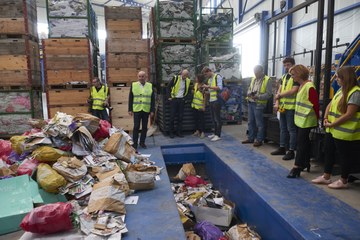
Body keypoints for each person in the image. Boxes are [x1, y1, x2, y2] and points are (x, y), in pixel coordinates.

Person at [312, 66, 360, 188]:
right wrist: (325, 118)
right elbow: (330, 104)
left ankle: (343, 180)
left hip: (344, 132)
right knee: (329, 152)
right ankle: (326, 176)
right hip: (332, 129)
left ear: (346, 78)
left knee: (344, 156)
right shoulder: (341, 90)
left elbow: (349, 114)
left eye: (338, 77)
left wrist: (332, 123)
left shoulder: (355, 92)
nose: (336, 79)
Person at [287, 64, 319, 178]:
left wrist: (317, 119)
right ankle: (305, 163)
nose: (292, 77)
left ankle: (296, 167)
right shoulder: (302, 85)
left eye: (293, 74)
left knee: (300, 144)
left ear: (299, 74)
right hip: (301, 120)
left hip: (307, 120)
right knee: (304, 142)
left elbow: (315, 104)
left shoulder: (309, 86)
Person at [272, 57, 299, 160]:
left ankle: (291, 150)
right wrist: (277, 102)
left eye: (288, 65)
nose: (286, 67)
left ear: (293, 65)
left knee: (291, 129)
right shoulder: (284, 77)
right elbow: (279, 90)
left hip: (291, 107)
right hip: (283, 107)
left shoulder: (296, 77)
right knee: (283, 128)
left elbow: (294, 90)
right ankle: (282, 147)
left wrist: (280, 95)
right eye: (285, 65)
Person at [242, 65, 272, 147]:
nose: (255, 74)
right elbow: (249, 89)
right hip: (251, 102)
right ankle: (251, 138)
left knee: (259, 123)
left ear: (262, 71)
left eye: (257, 72)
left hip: (259, 104)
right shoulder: (253, 79)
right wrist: (249, 93)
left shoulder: (267, 80)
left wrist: (258, 96)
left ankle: (259, 139)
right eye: (254, 72)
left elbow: (269, 94)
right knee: (250, 122)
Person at [128, 71, 155, 150]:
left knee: (144, 127)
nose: (141, 78)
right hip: (137, 109)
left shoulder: (150, 86)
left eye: (143, 76)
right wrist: (130, 109)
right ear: (137, 77)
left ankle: (142, 142)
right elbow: (131, 98)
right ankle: (135, 143)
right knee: (136, 126)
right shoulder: (134, 85)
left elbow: (152, 99)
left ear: (145, 77)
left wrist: (152, 110)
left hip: (146, 109)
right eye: (140, 76)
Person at [167, 69, 191, 138]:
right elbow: (168, 87)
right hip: (174, 100)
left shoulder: (188, 81)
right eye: (184, 75)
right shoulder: (175, 78)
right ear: (181, 74)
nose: (185, 76)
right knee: (172, 117)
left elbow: (188, 91)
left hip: (181, 100)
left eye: (186, 75)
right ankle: (171, 132)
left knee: (180, 117)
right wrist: (169, 97)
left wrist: (185, 99)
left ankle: (179, 132)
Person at [202, 67, 223, 142]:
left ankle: (218, 135)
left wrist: (208, 86)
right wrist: (206, 91)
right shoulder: (210, 79)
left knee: (217, 118)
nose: (206, 76)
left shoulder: (218, 77)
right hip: (211, 100)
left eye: (206, 74)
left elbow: (220, 87)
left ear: (209, 71)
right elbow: (211, 91)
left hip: (217, 100)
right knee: (213, 118)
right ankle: (215, 133)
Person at [191, 74, 207, 139]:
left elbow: (205, 97)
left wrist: (204, 106)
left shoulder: (203, 86)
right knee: (196, 119)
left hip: (200, 106)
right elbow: (193, 91)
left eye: (196, 78)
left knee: (201, 120)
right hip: (194, 105)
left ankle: (202, 132)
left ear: (199, 79)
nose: (195, 79)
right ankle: (197, 131)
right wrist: (193, 91)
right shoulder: (195, 84)